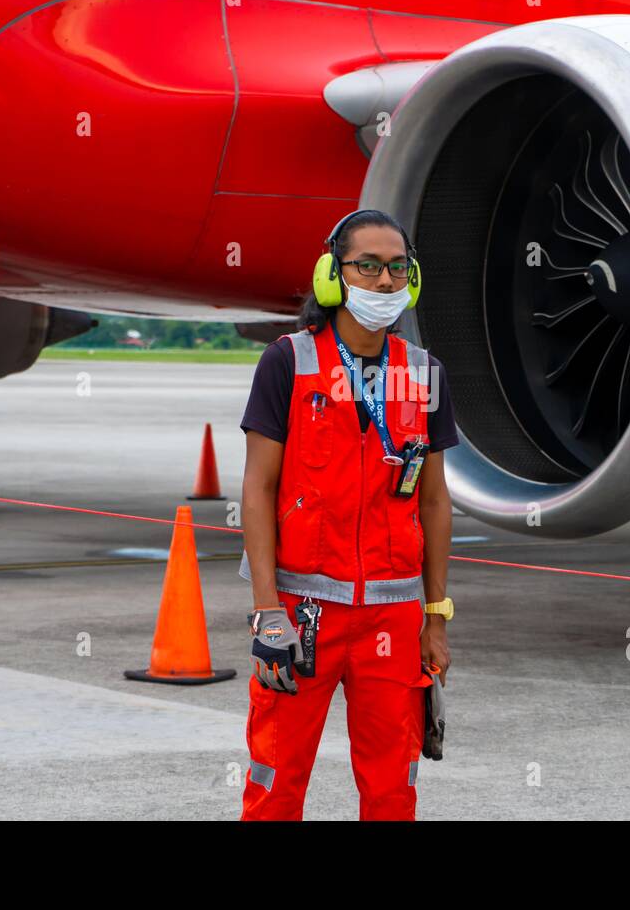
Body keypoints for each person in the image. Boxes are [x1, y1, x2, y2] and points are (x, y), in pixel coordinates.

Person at [237, 208, 457, 821]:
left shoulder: (424, 374)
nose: (385, 282)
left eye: (397, 268)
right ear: (333, 276)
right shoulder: (288, 362)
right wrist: (265, 612)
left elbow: (434, 501)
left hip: (394, 613)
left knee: (392, 789)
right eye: (368, 266)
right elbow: (258, 488)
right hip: (303, 617)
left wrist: (435, 617)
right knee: (275, 782)